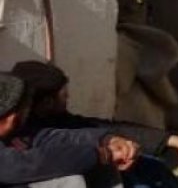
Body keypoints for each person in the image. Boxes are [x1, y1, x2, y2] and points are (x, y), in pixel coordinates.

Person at [12, 61, 178, 184]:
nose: (68, 97)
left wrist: (173, 140)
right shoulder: (22, 134)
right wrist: (106, 150)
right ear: (46, 102)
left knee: (153, 167)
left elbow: (92, 128)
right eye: (63, 95)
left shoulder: (55, 118)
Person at [0, 72, 139, 187]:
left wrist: (107, 140)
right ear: (11, 119)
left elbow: (53, 137)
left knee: (98, 166)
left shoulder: (18, 132)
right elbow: (27, 164)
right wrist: (98, 155)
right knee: (71, 181)